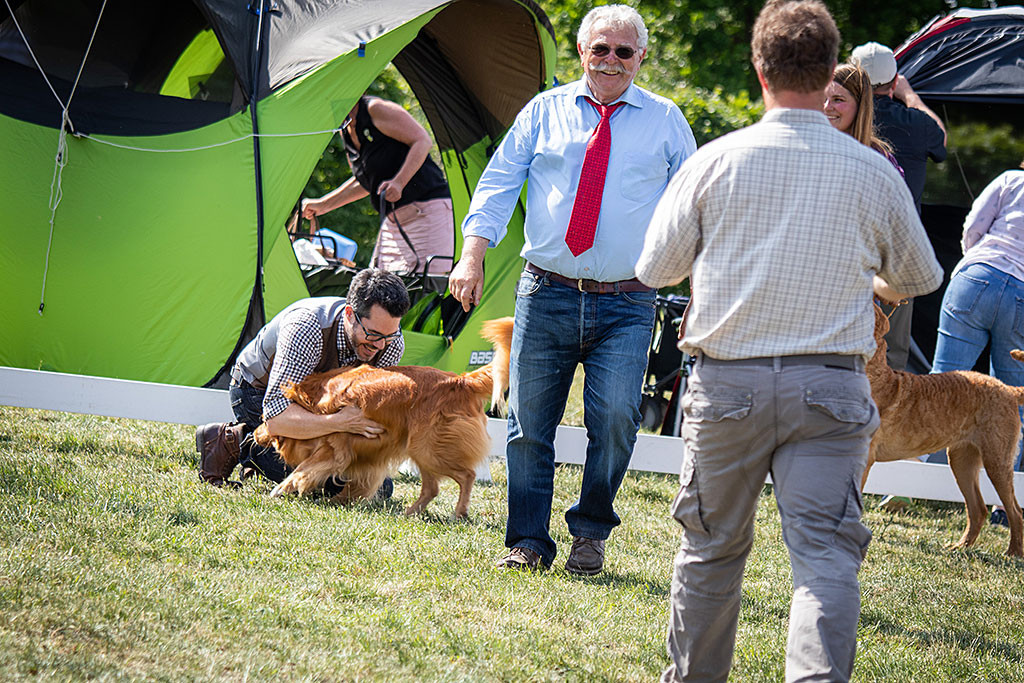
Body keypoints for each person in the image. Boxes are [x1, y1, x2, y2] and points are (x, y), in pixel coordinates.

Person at [635, 1, 942, 680]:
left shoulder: (715, 160)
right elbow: (920, 275)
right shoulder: (874, 171)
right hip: (832, 387)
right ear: (832, 65)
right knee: (826, 559)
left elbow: (655, 269)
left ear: (759, 67)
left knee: (710, 551)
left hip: (727, 385)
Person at [448, 4, 696, 575]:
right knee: (528, 424)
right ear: (583, 52)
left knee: (614, 419)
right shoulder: (544, 111)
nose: (611, 60)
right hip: (546, 291)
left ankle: (590, 531)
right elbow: (499, 182)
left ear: (640, 58)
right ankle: (527, 542)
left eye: (623, 51)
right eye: (600, 49)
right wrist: (472, 254)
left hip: (630, 301)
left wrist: (699, 277)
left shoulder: (665, 119)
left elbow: (694, 200)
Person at [196, 268, 411, 490]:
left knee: (379, 487)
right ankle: (238, 441)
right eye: (373, 334)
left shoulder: (390, 341)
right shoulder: (306, 327)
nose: (380, 345)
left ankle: (264, 461)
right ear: (349, 314)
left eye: (389, 336)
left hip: (322, 407)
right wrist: (341, 423)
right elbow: (277, 417)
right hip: (257, 391)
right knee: (327, 484)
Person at [932, 160, 1024, 524]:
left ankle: (917, 485)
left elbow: (973, 226)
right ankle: (1006, 504)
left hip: (978, 276)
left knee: (940, 384)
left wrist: (975, 260)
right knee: (1012, 399)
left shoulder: (1011, 180)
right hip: (1021, 292)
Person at [851, 41, 948, 371]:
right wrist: (909, 95)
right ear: (893, 82)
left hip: (854, 248)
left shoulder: (840, 118)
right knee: (892, 352)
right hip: (900, 252)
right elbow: (942, 139)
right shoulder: (917, 124)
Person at [301, 96, 454, 277]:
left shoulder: (375, 109)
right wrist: (323, 204)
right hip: (393, 222)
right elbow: (366, 181)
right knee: (377, 290)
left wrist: (399, 181)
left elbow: (422, 140)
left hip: (426, 213)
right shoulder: (346, 130)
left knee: (425, 288)